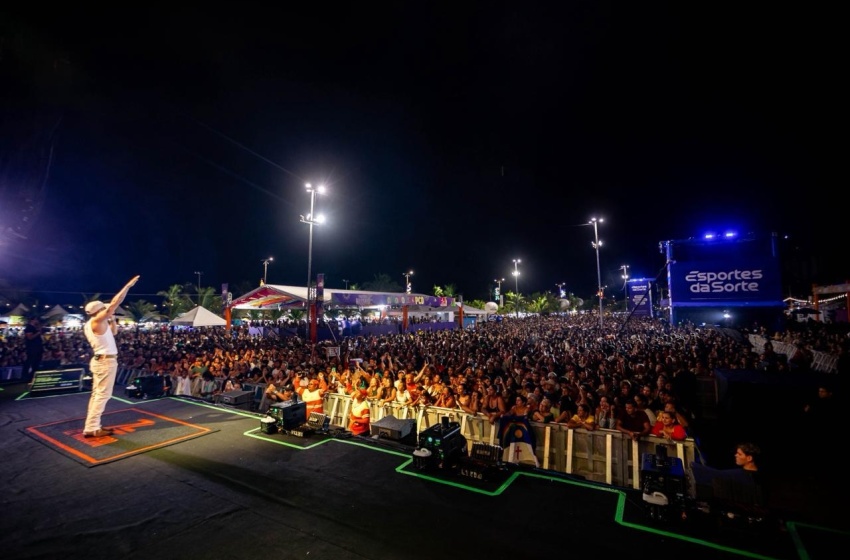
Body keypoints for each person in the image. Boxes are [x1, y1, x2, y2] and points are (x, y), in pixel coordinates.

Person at [81, 275, 140, 438]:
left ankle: (92, 425)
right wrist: (127, 286)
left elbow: (113, 332)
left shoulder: (94, 324)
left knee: (97, 395)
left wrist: (112, 321)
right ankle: (92, 428)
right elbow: (115, 303)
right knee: (102, 395)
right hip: (105, 361)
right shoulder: (96, 322)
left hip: (102, 360)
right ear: (99, 311)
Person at [22, 316, 44, 380]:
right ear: (33, 320)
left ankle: (33, 375)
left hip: (37, 348)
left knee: (36, 362)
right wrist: (38, 333)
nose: (37, 321)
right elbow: (30, 337)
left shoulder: (35, 327)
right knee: (30, 361)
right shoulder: (29, 327)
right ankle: (26, 376)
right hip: (32, 348)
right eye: (36, 320)